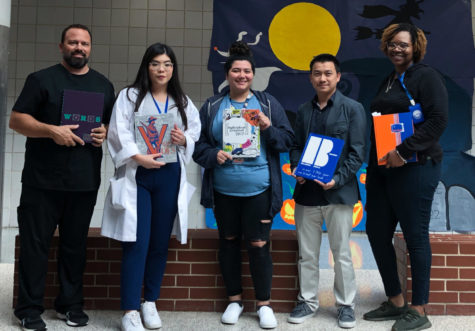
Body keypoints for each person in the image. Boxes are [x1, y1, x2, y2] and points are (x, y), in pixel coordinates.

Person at [9, 24, 115, 330]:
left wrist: (105, 131)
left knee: (74, 246)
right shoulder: (41, 80)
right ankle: (29, 309)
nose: (78, 47)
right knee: (35, 245)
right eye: (73, 43)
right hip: (41, 182)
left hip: (83, 182)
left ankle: (70, 305)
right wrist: (50, 130)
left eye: (84, 43)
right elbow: (17, 120)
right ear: (61, 47)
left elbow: (110, 125)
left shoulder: (103, 86)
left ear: (90, 48)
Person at [192, 41, 294, 329]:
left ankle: (264, 304)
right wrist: (214, 155)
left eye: (247, 71)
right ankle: (234, 300)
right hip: (224, 189)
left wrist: (266, 127)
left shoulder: (267, 104)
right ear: (227, 75)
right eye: (236, 70)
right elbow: (197, 147)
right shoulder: (213, 105)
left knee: (259, 244)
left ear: (253, 74)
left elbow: (287, 140)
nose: (241, 76)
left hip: (259, 188)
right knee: (228, 242)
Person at [101, 43, 201, 331]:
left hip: (169, 174)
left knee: (159, 242)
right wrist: (137, 157)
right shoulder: (129, 96)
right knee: (137, 240)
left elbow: (194, 129)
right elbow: (118, 130)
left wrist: (185, 139)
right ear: (147, 66)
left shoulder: (180, 100)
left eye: (167, 64)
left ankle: (150, 302)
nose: (162, 69)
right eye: (156, 63)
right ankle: (130, 309)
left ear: (173, 69)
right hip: (140, 174)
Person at [363, 23, 448, 331]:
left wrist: (404, 150)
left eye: (403, 44)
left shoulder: (426, 76)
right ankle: (396, 301)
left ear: (416, 47)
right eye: (392, 44)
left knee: (415, 235)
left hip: (416, 168)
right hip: (382, 170)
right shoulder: (388, 81)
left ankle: (419, 308)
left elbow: (438, 120)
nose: (397, 49)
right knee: (376, 232)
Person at [288, 54, 366, 329]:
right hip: (307, 193)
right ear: (310, 77)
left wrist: (336, 179)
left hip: (338, 193)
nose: (322, 78)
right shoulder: (303, 111)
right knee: (307, 253)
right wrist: (296, 166)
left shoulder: (353, 109)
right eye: (317, 73)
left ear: (338, 77)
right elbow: (296, 145)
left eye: (328, 73)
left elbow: (357, 154)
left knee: (341, 252)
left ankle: (346, 305)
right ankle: (307, 302)